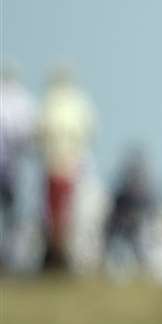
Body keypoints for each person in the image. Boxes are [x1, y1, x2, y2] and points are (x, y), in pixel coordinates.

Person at [37, 67, 96, 270]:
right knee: (59, 215)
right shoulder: (69, 103)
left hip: (65, 166)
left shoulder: (53, 103)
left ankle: (62, 256)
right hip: (61, 166)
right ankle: (57, 256)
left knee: (63, 215)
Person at [0, 61, 38, 266]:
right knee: (10, 216)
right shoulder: (22, 101)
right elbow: (27, 136)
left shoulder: (20, 100)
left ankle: (8, 256)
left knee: (11, 215)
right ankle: (8, 256)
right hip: (10, 168)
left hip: (9, 167)